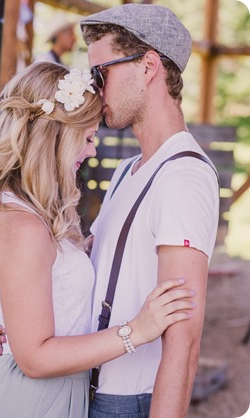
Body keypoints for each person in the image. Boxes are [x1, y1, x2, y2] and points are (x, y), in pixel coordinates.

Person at [0, 61, 196, 418]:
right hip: (32, 400)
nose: (92, 151)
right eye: (89, 137)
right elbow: (36, 359)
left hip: (55, 393)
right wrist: (136, 331)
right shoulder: (23, 226)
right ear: (56, 135)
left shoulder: (30, 214)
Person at [79, 4, 220, 418]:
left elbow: (184, 340)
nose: (94, 89)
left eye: (100, 73)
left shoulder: (183, 176)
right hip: (89, 390)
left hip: (128, 402)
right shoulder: (128, 170)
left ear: (148, 66)